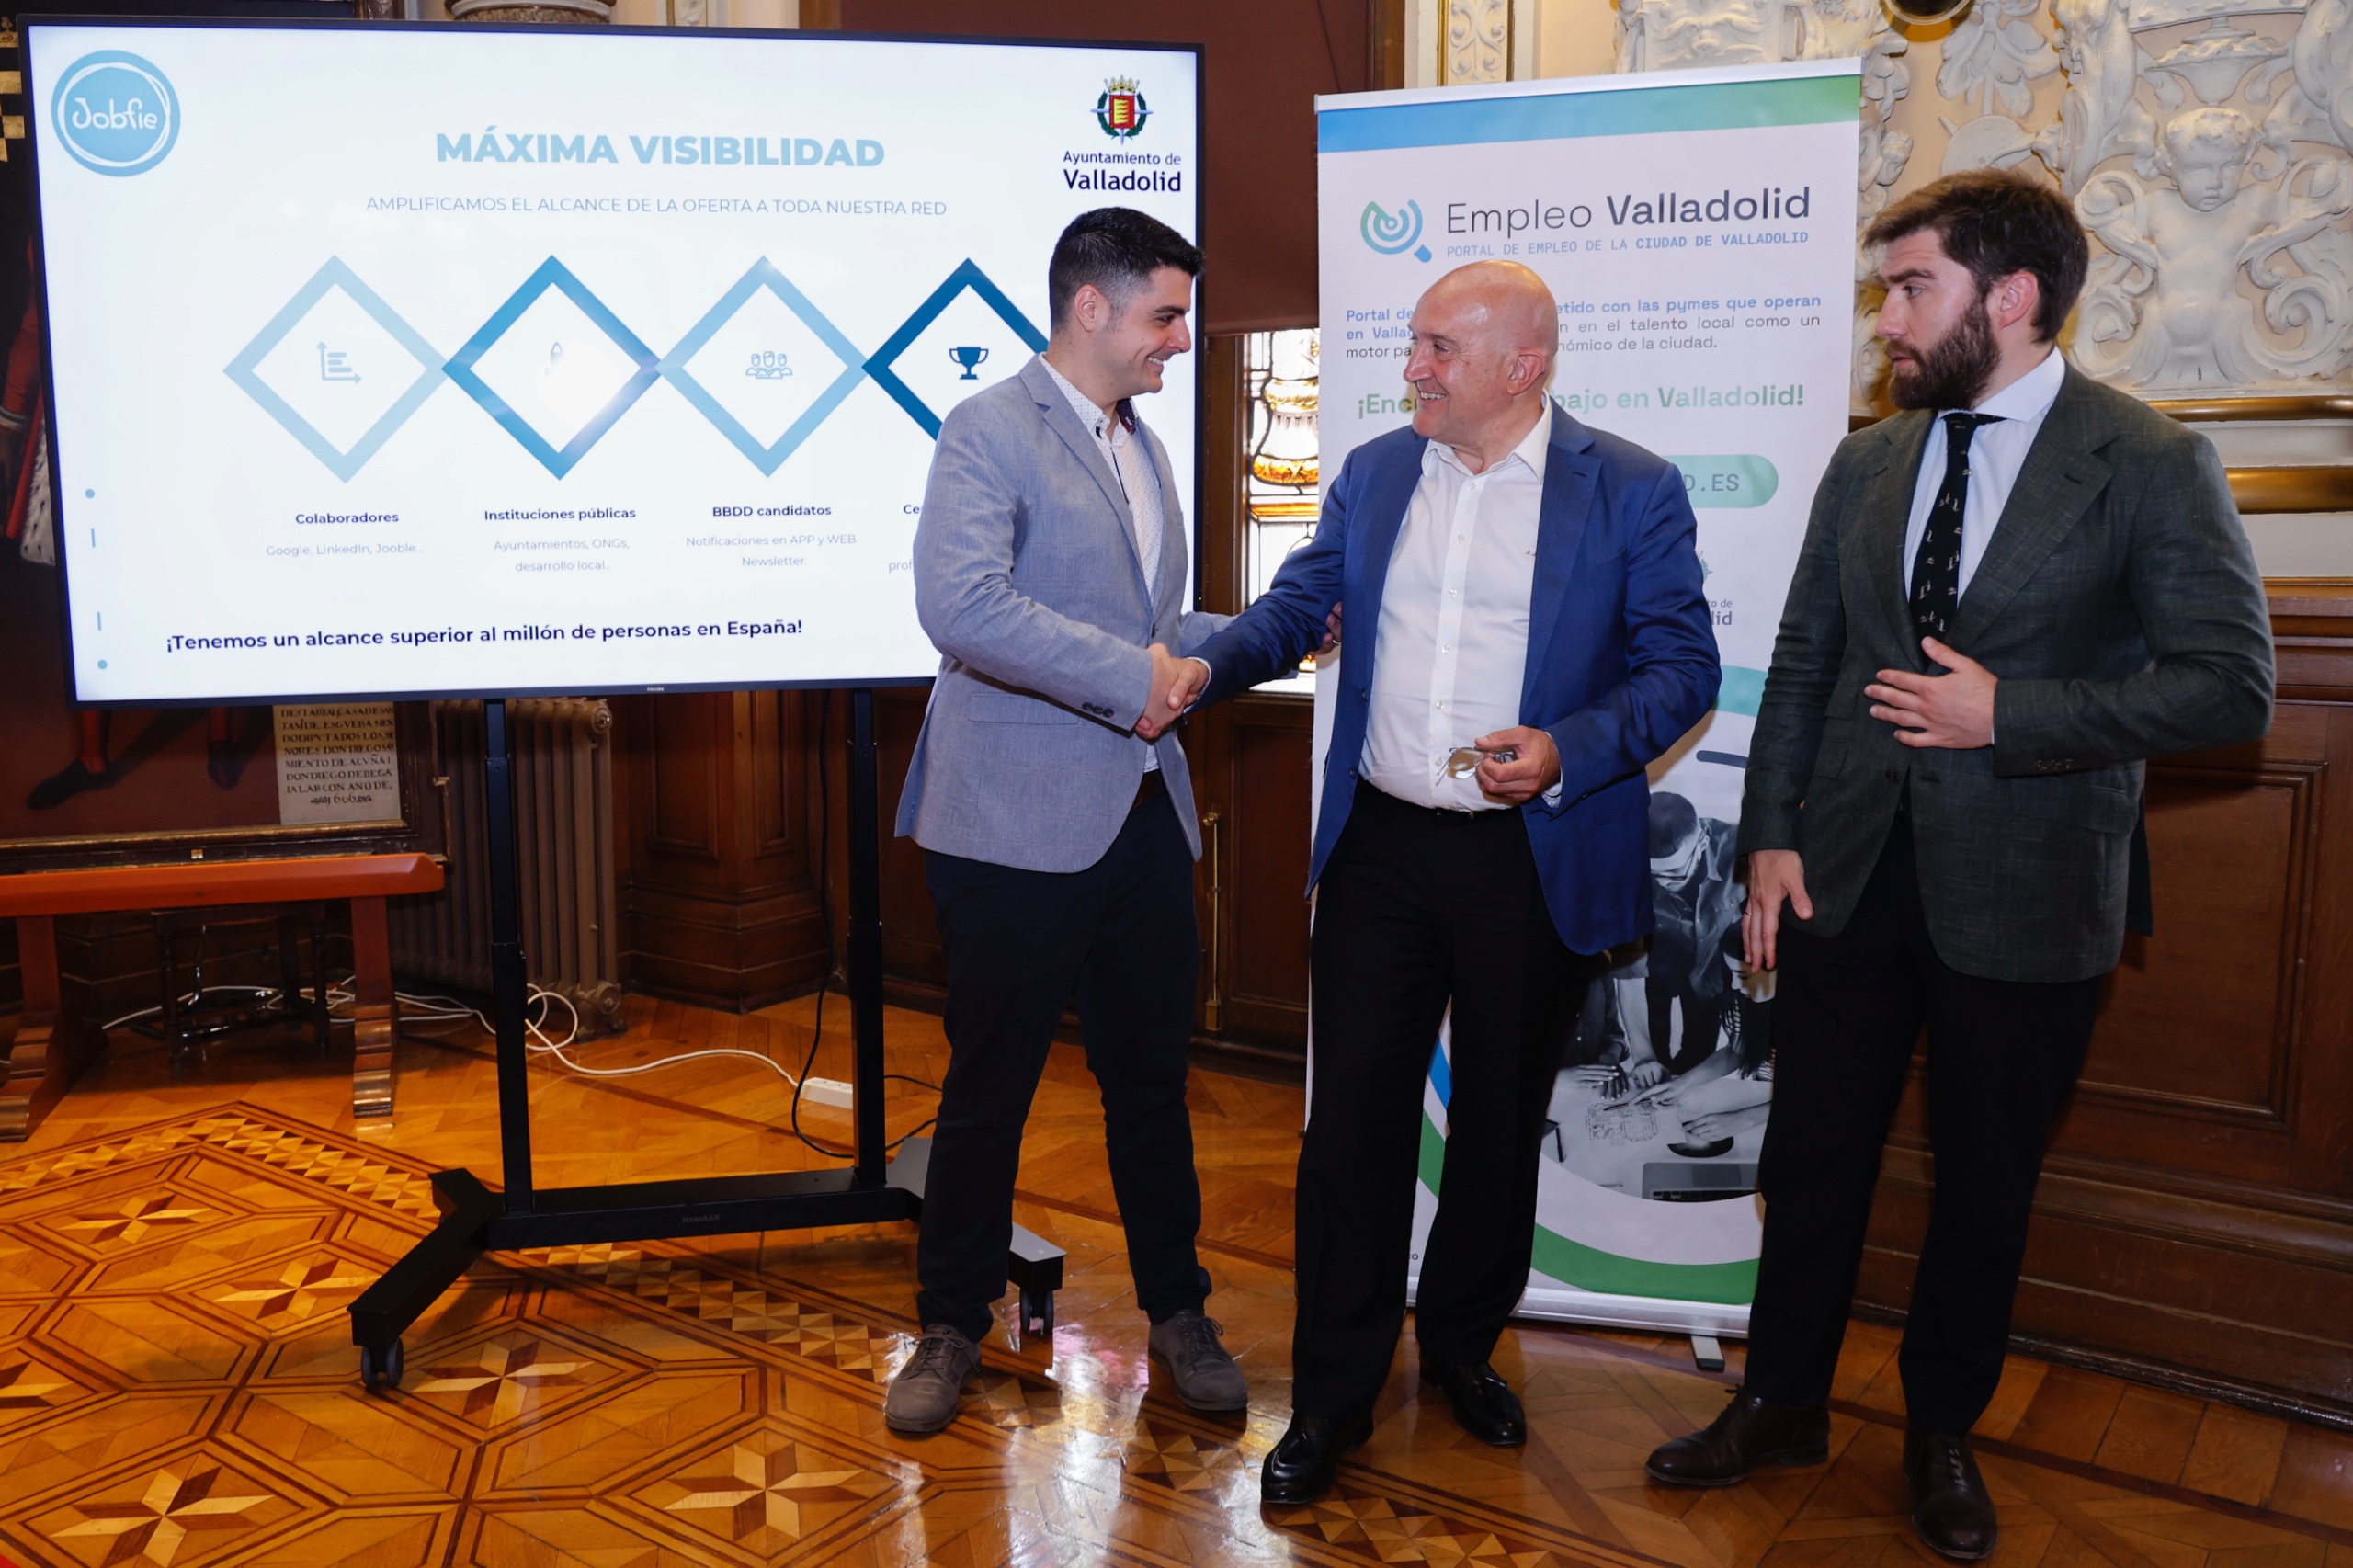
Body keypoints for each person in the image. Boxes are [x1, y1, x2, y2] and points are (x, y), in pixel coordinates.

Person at [1643, 171, 2274, 1561]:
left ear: (2012, 297)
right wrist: (1770, 833)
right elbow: (1806, 656)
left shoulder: (2149, 460)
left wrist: (2012, 715)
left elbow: (2233, 686)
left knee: (1984, 1184)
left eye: (1911, 287)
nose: (1886, 319)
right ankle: (1782, 1402)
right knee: (1811, 1161)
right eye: (1887, 290)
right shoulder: (1869, 460)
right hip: (1845, 875)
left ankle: (1940, 1433)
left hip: (2032, 889)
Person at [1188, 259, 1720, 1504]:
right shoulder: (1378, 471)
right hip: (1382, 847)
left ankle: (1466, 1346)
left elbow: (1682, 667)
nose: (1412, 367)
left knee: (1497, 1120)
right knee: (1349, 1130)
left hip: (1527, 853)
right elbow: (1300, 604)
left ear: (1522, 366)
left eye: (1438, 348)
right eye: (1415, 344)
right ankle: (1332, 1396)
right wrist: (1202, 672)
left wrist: (1568, 749)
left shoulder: (1630, 487)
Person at [885, 207, 1242, 1433]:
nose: (1180, 338)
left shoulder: (1147, 448)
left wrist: (1261, 635)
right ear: (1091, 306)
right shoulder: (989, 427)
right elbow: (961, 604)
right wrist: (1134, 676)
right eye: (1166, 314)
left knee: (1152, 1082)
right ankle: (948, 1321)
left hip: (1142, 814)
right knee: (991, 1089)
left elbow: (1154, 629)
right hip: (1010, 821)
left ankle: (1178, 1311)